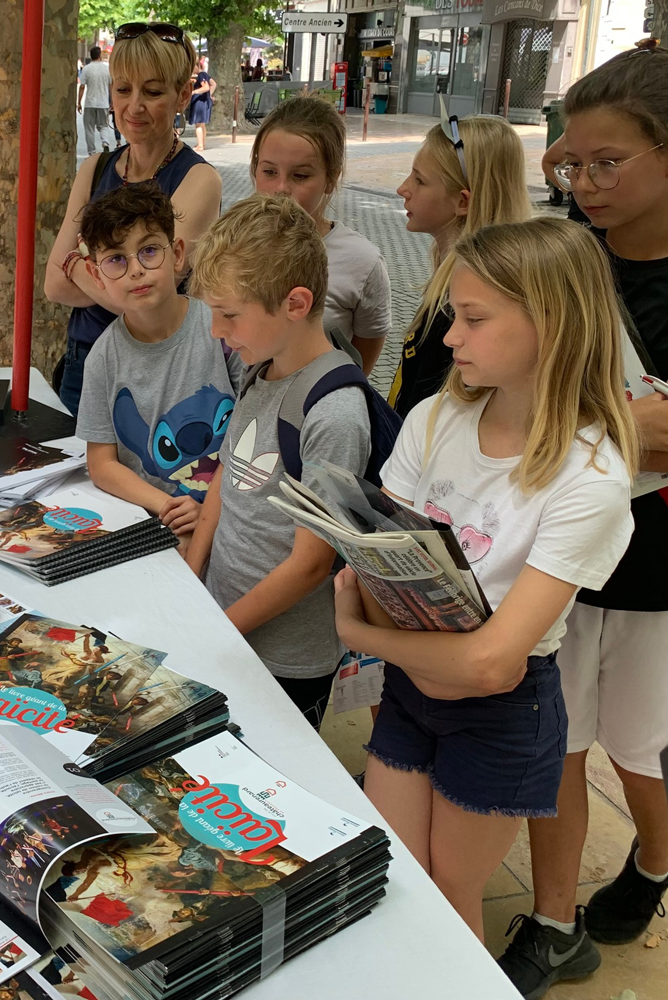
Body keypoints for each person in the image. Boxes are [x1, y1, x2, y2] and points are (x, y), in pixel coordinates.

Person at [333, 218, 636, 945]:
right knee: (402, 874)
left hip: (505, 718)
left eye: (472, 319)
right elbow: (379, 564)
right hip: (411, 691)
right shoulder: (435, 418)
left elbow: (496, 663)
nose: (449, 339)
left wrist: (357, 632)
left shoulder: (591, 475)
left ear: (552, 324)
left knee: (450, 895)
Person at [498, 43, 668, 1000]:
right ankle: (553, 919)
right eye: (573, 162)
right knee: (552, 735)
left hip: (657, 564)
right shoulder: (567, 259)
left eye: (610, 162)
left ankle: (652, 859)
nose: (586, 183)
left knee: (639, 747)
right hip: (557, 542)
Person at [185, 195, 374, 729]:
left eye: (229, 315)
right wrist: (193, 572)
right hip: (228, 624)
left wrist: (223, 629)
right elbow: (227, 472)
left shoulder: (334, 414)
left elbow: (311, 561)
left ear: (295, 303)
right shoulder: (259, 366)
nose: (217, 331)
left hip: (285, 659)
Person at [45, 21, 222, 417]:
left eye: (153, 91)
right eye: (123, 89)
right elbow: (52, 284)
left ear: (181, 96)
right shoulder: (95, 167)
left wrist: (76, 261)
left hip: (155, 372)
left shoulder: (199, 179)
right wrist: (115, 283)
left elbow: (151, 296)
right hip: (84, 363)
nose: (134, 105)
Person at [75, 183, 245, 546]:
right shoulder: (102, 359)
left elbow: (254, 434)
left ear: (178, 254)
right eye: (116, 259)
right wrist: (168, 506)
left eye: (149, 250)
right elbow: (101, 465)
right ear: (95, 275)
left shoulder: (222, 331)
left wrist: (209, 507)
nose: (135, 270)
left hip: (233, 514)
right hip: (157, 525)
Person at [387, 115, 532, 420]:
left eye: (419, 180)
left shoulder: (461, 307)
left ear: (463, 202)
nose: (403, 188)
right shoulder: (451, 284)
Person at [251, 95, 391, 375]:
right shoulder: (229, 246)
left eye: (300, 176)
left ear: (331, 178)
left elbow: (361, 360)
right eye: (269, 171)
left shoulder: (361, 262)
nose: (281, 188)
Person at [78, 45, 114, 155]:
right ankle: (105, 143)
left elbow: (82, 86)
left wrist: (79, 102)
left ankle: (91, 152)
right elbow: (111, 86)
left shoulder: (87, 69)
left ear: (91, 56)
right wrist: (112, 101)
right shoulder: (107, 68)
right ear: (99, 56)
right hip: (103, 103)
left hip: (89, 103)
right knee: (103, 125)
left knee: (89, 129)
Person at [188, 61, 212, 152]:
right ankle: (202, 143)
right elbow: (213, 84)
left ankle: (200, 145)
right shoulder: (205, 74)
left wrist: (194, 92)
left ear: (197, 66)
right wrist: (210, 95)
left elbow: (206, 87)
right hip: (204, 101)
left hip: (199, 102)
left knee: (198, 124)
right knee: (202, 124)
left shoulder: (201, 75)